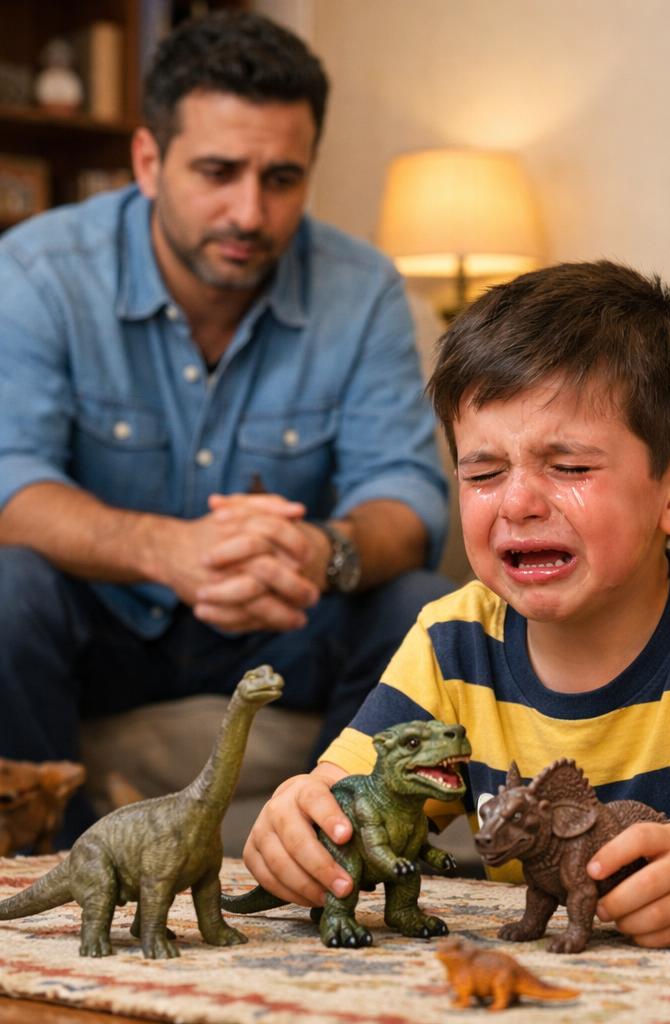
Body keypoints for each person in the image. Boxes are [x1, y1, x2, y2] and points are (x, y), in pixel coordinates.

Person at [240, 260, 670, 948]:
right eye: (484, 472)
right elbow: (342, 794)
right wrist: (299, 823)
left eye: (570, 467)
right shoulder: (452, 640)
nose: (519, 502)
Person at [0, 12, 452, 843]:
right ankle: (59, 856)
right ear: (148, 160)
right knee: (8, 587)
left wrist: (325, 549)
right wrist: (165, 550)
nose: (250, 211)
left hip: (285, 624)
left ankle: (329, 845)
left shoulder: (364, 290)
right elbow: (10, 486)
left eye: (281, 178)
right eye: (218, 171)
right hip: (102, 624)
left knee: (418, 602)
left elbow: (408, 494)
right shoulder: (36, 274)